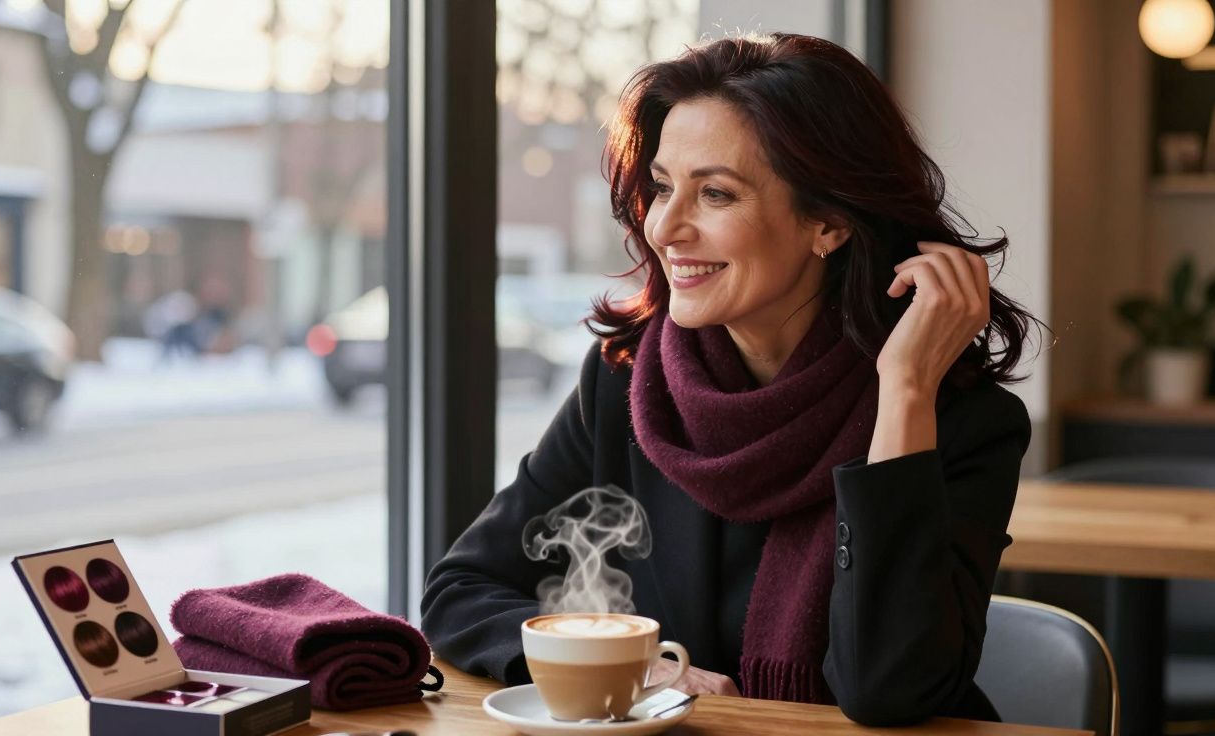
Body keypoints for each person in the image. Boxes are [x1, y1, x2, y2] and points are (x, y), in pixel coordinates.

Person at [420, 33, 1038, 726]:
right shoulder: (627, 386)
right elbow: (461, 590)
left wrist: (903, 391)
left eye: (715, 193)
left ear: (829, 222)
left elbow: (888, 689)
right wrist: (637, 667)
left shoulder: (959, 421)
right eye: (661, 187)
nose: (665, 227)